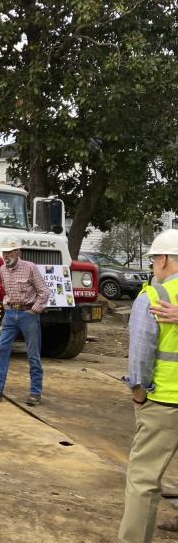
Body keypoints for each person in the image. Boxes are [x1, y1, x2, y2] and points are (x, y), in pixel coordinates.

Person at [118, 229, 178, 543]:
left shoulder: (153, 296)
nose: (153, 265)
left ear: (165, 259)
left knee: (143, 480)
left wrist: (138, 393)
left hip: (165, 404)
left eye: (155, 259)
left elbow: (141, 355)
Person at [0, 238, 50, 406]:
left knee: (33, 354)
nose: (6, 256)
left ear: (18, 252)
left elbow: (44, 292)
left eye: (9, 252)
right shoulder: (2, 269)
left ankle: (35, 392)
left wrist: (35, 309)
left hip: (28, 314)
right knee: (2, 349)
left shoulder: (30, 268)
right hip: (10, 314)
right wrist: (6, 303)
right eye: (4, 253)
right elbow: (6, 290)